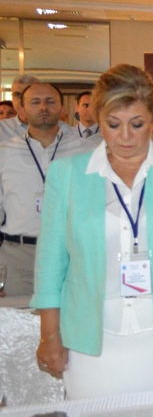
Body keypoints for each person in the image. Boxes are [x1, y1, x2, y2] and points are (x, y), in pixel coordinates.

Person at [33, 64, 153, 399]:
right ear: (98, 119)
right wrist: (49, 333)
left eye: (137, 124)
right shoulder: (67, 174)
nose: (126, 136)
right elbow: (51, 259)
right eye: (113, 124)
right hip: (92, 338)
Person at [0, 83, 92, 298]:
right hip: (18, 257)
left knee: (69, 318)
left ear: (63, 109)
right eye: (35, 102)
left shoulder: (86, 151)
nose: (43, 107)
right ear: (22, 110)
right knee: (16, 318)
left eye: (50, 101)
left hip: (71, 254)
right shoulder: (4, 152)